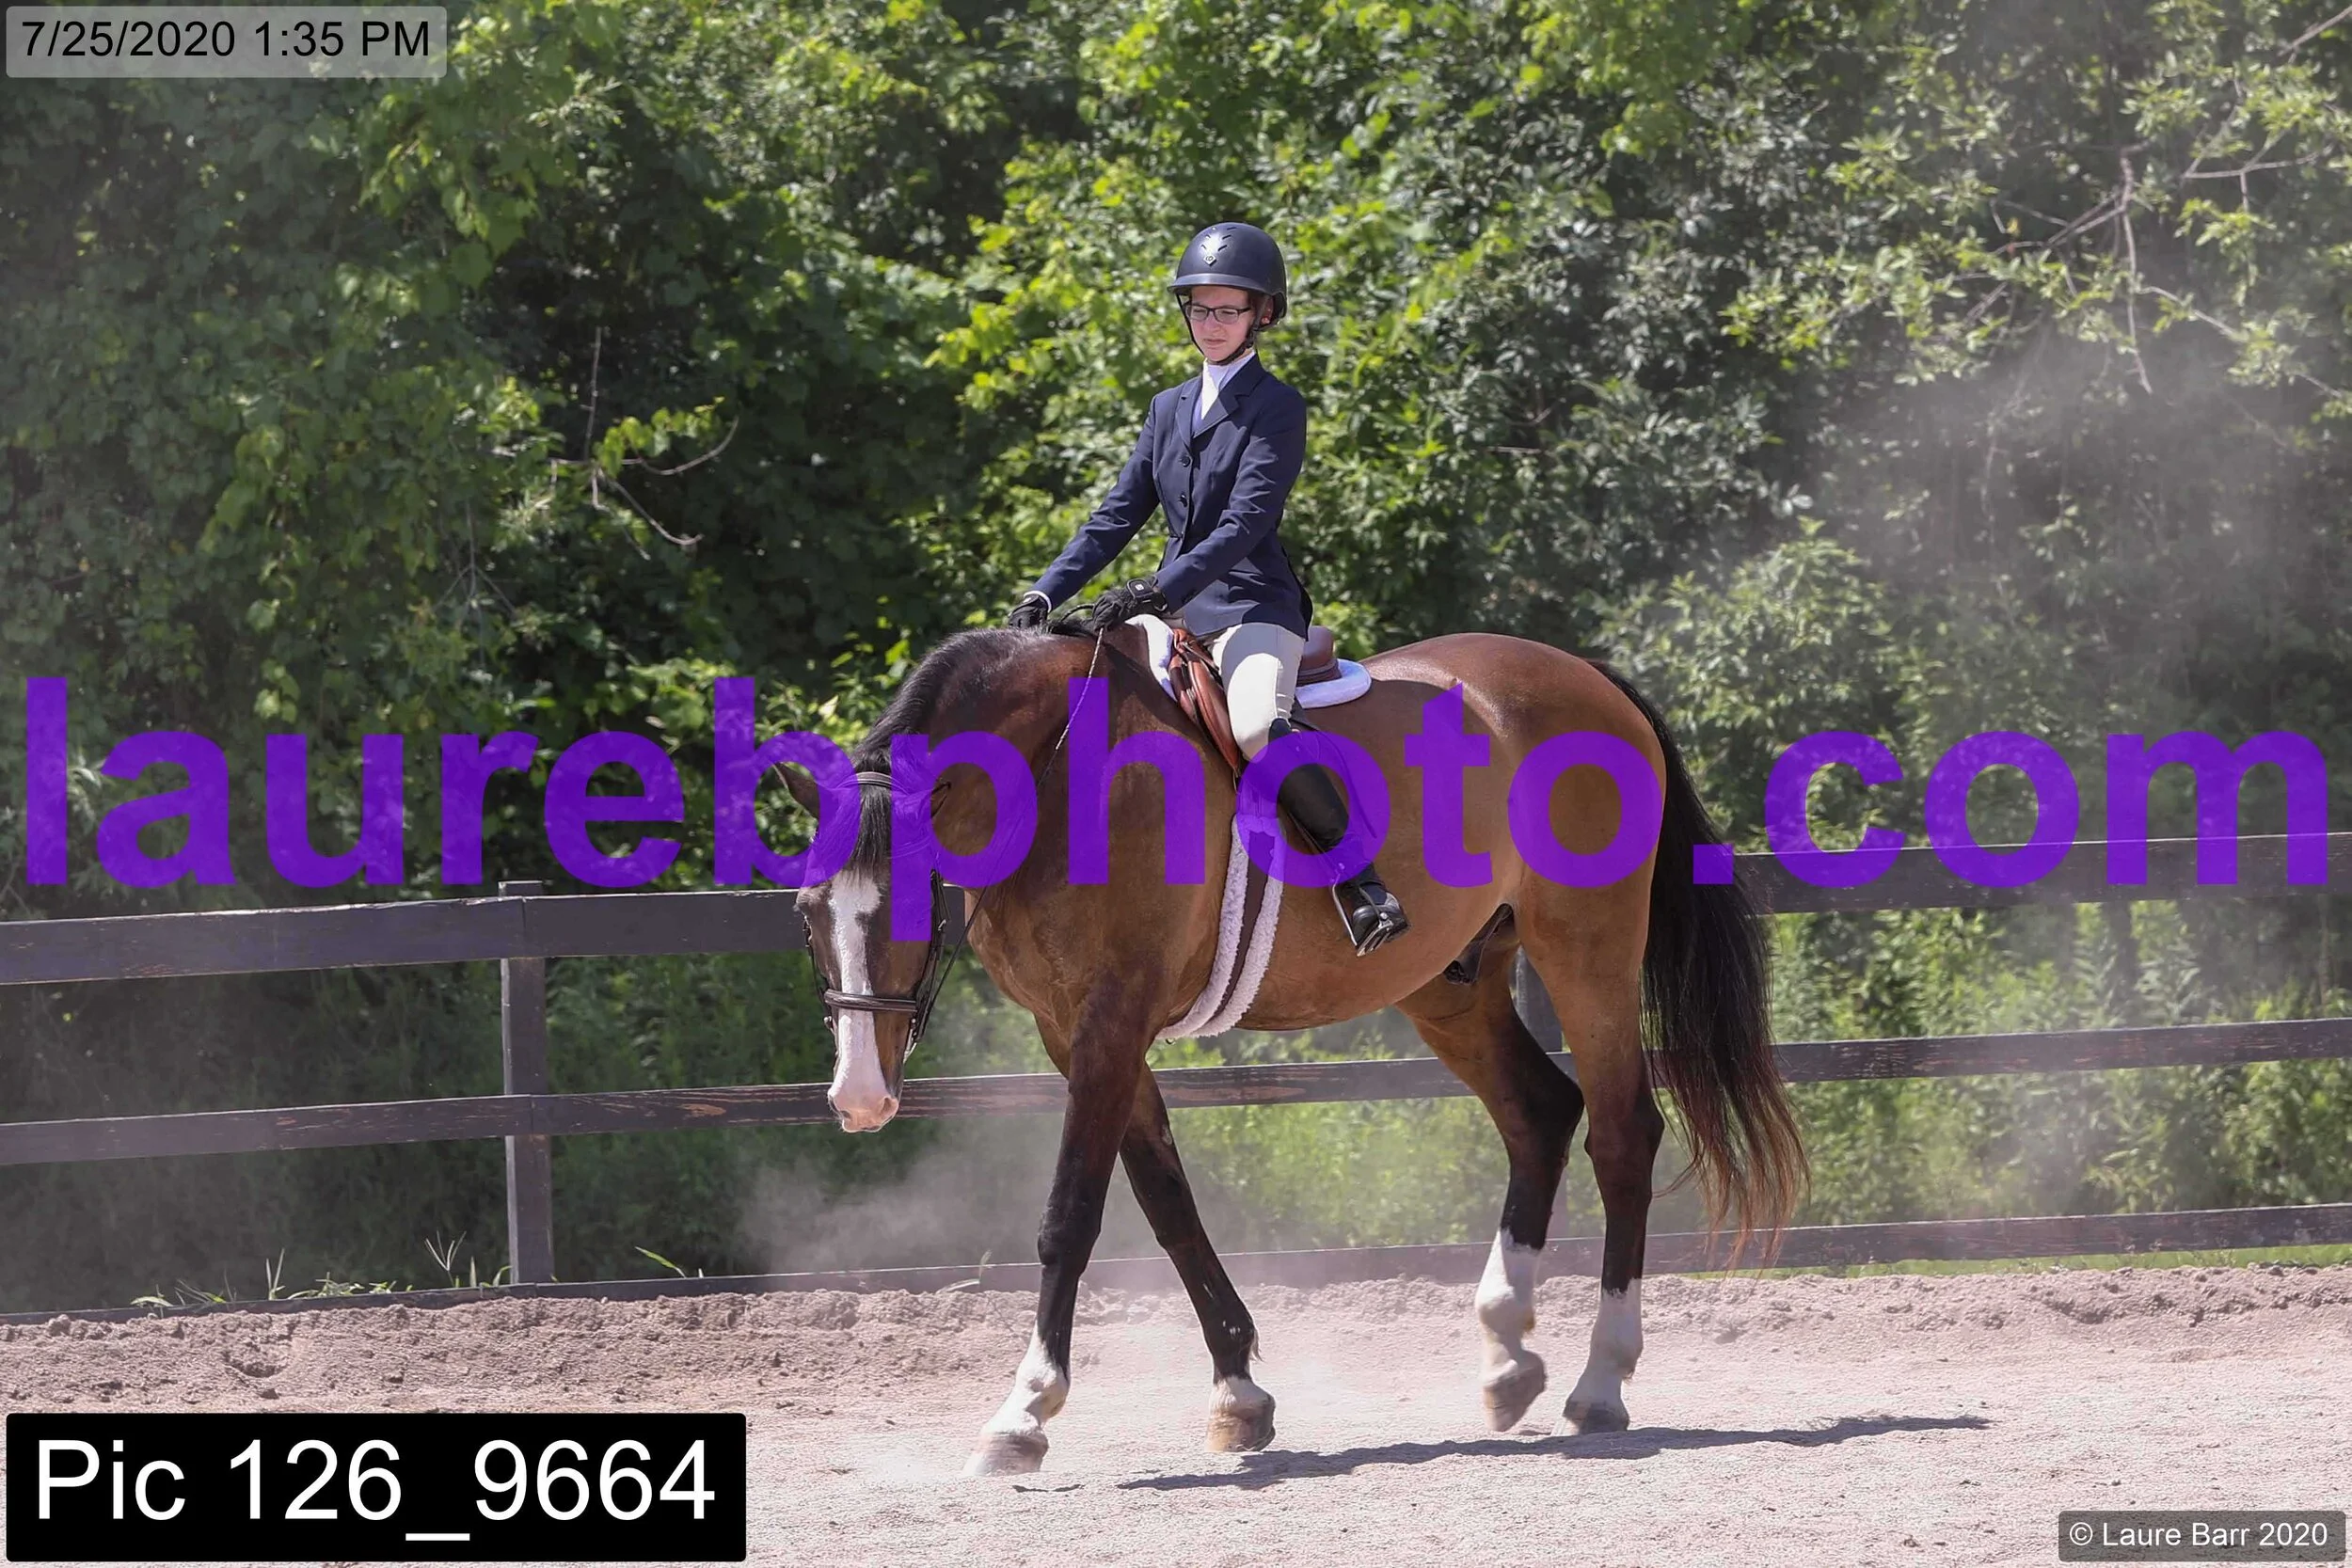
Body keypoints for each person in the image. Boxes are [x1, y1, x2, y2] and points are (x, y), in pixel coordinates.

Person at [1005, 222, 1408, 957]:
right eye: (1200, 308)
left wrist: (1154, 588)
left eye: (1228, 310)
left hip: (1251, 604)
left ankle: (1360, 879)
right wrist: (1044, 593)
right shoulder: (1168, 407)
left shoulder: (1277, 406)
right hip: (1172, 612)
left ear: (1262, 314)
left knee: (1255, 725)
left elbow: (1247, 523)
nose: (1211, 324)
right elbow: (1116, 515)